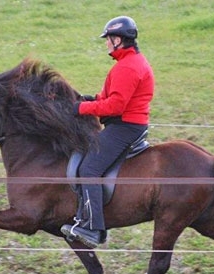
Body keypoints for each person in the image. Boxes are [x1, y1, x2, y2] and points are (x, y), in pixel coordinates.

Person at [61, 15, 155, 248]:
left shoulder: (128, 67)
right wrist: (91, 99)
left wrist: (80, 108)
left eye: (109, 39)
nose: (106, 43)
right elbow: (109, 99)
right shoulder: (128, 63)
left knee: (89, 169)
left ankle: (92, 228)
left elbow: (115, 106)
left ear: (119, 40)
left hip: (124, 127)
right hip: (124, 123)